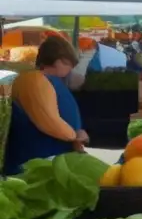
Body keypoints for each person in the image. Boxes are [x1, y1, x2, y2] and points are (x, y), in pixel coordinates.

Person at [5, 36, 88, 174]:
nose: (70, 68)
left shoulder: (53, 82)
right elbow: (49, 121)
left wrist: (77, 137)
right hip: (34, 164)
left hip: (56, 161)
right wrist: (75, 135)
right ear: (57, 60)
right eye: (68, 63)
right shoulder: (32, 80)